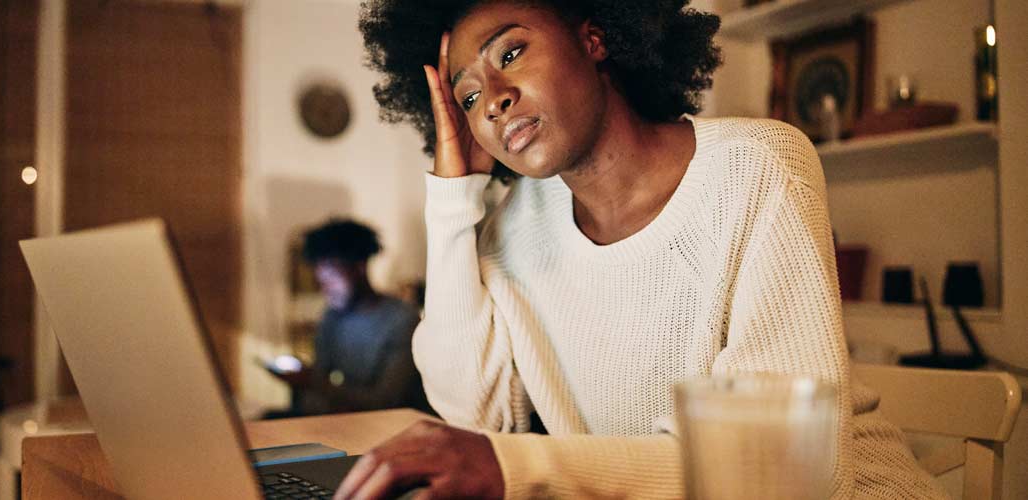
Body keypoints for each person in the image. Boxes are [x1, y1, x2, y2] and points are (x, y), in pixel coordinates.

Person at [332, 1, 947, 499]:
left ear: (594, 38)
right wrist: (452, 197)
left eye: (511, 54)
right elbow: (474, 419)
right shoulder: (510, 230)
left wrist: (522, 467)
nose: (491, 100)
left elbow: (782, 469)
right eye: (467, 98)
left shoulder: (758, 167)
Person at [267, 219, 428, 416]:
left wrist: (311, 382)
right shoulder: (332, 317)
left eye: (331, 279)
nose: (326, 290)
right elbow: (319, 379)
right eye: (321, 282)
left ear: (359, 268)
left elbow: (386, 401)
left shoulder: (401, 320)